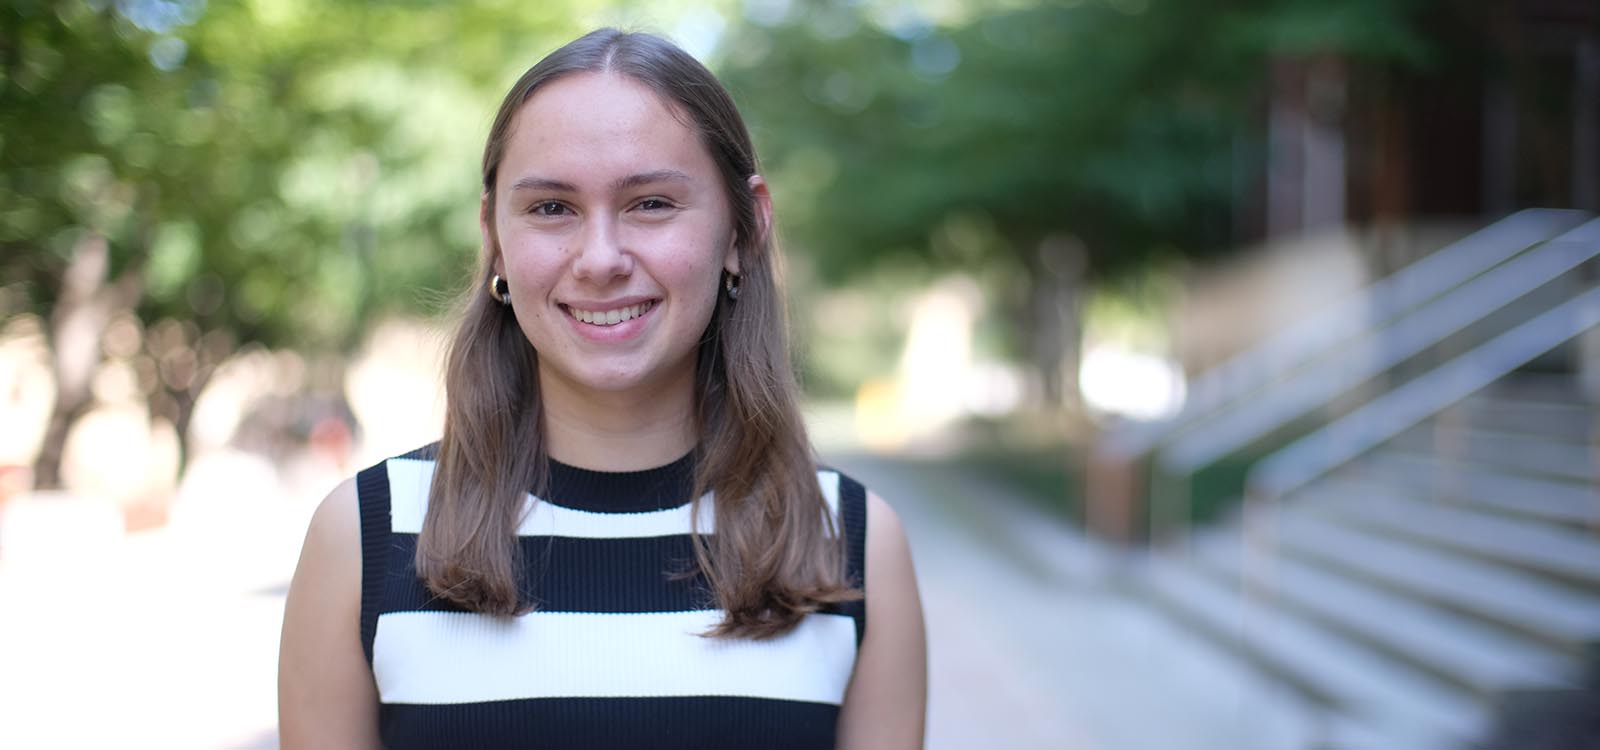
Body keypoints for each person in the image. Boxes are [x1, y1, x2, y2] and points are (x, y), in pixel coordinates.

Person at [277, 28, 926, 749]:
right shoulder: (363, 539)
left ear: (745, 228)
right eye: (552, 208)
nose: (600, 259)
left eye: (650, 203)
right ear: (492, 232)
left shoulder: (855, 544)